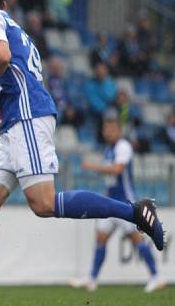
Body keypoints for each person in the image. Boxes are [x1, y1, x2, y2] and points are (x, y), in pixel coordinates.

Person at [0, 0, 166, 306]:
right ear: (5, 5)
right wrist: (2, 123)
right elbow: (21, 77)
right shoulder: (11, 23)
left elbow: (1, 56)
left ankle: (135, 212)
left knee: (43, 203)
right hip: (16, 121)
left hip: (27, 119)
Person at [70, 115, 165, 293]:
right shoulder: (109, 148)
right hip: (110, 201)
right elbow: (112, 179)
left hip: (125, 203)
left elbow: (118, 169)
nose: (108, 132)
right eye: (106, 129)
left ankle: (156, 276)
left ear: (119, 131)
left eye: (111, 129)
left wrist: (93, 167)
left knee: (135, 238)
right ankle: (92, 279)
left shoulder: (123, 146)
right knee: (101, 238)